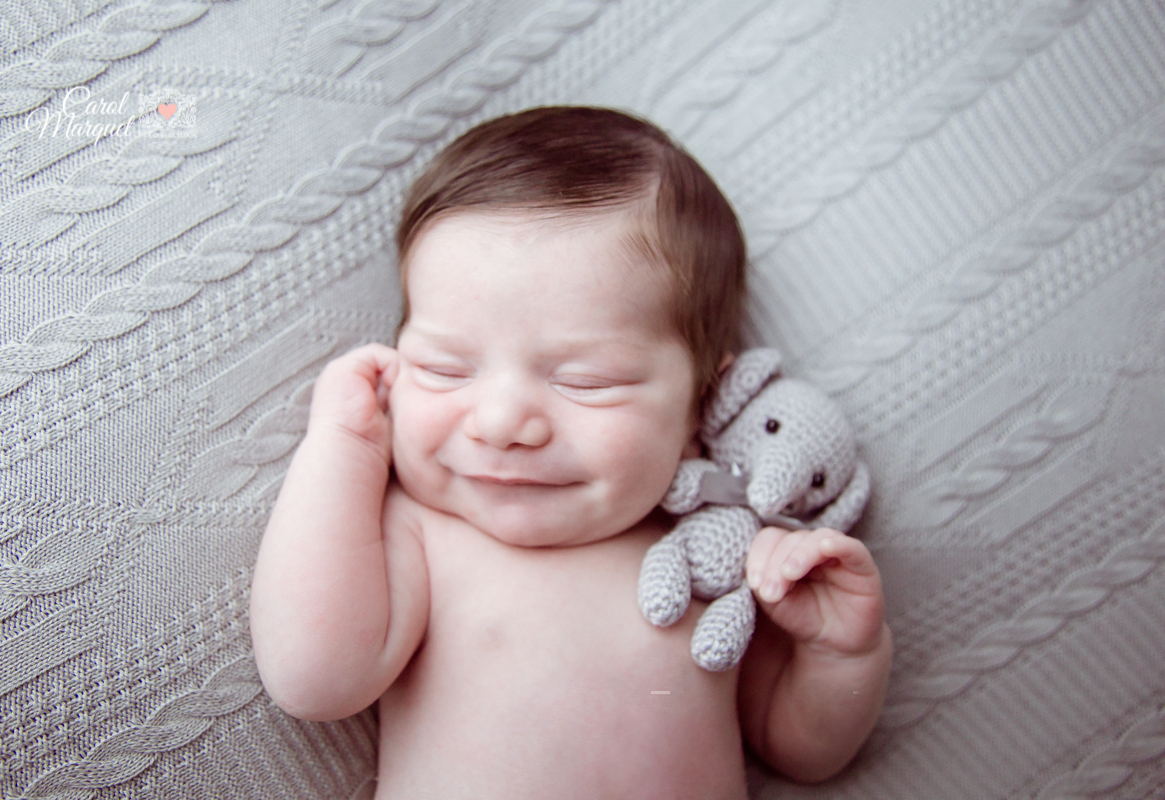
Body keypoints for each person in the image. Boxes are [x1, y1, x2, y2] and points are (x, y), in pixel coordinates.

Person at [249, 106, 891, 798]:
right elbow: (314, 678)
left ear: (704, 405)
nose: (499, 423)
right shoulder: (422, 530)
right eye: (443, 368)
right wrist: (344, 446)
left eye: (585, 381)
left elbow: (801, 749)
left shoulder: (713, 560)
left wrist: (841, 655)